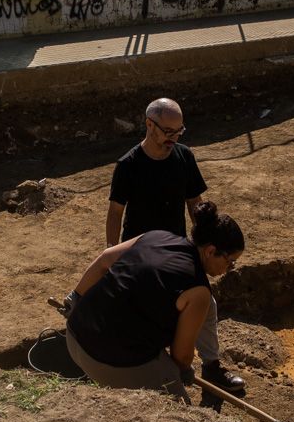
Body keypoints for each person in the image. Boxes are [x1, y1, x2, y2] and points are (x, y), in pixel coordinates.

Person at [93, 97, 245, 393]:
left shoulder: (184, 157)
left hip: (177, 250)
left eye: (179, 132)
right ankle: (149, 370)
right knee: (148, 313)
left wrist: (211, 243)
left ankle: (211, 366)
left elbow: (195, 204)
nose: (173, 139)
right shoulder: (128, 165)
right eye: (167, 132)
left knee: (206, 306)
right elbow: (115, 212)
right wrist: (112, 253)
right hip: (140, 256)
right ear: (149, 125)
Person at [65, 201, 244, 400]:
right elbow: (181, 356)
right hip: (106, 359)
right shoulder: (197, 291)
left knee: (205, 306)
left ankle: (211, 367)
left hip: (74, 335)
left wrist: (76, 297)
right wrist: (180, 372)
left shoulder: (156, 236)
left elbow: (105, 260)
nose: (230, 269)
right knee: (179, 414)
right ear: (210, 251)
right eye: (230, 262)